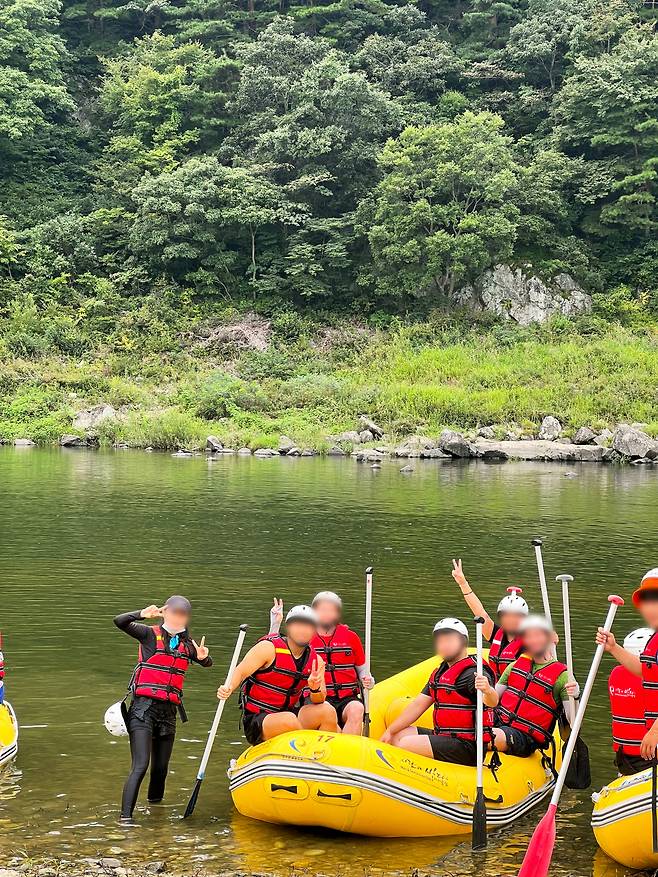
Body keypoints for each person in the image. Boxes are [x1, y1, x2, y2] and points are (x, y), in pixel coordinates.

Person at [114, 596, 212, 820]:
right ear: (165, 612)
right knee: (141, 765)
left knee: (160, 770)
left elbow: (207, 662)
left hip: (168, 713)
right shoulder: (149, 634)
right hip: (143, 710)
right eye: (175, 612)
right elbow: (119, 621)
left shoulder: (188, 645)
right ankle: (126, 820)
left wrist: (204, 659)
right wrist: (141, 614)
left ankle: (155, 814)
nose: (178, 617)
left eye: (183, 614)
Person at [380, 618, 497, 766]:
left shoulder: (472, 673)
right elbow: (417, 705)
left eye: (449, 640)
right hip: (444, 736)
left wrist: (487, 690)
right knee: (398, 735)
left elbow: (493, 701)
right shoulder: (440, 673)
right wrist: (390, 731)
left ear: (463, 642)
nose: (444, 645)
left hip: (466, 746)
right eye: (440, 641)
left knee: (405, 744)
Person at [219, 604, 338, 745]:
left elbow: (319, 699)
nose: (303, 630)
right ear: (288, 627)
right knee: (289, 720)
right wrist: (229, 687)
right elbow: (240, 671)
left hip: (290, 714)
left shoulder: (316, 661)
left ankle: (325, 755)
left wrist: (314, 688)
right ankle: (307, 752)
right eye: (298, 625)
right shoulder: (268, 648)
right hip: (259, 721)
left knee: (327, 711)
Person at [268, 593, 374, 734]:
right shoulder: (304, 636)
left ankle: (347, 750)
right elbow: (276, 651)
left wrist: (369, 680)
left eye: (331, 610)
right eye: (322, 609)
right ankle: (338, 745)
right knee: (328, 715)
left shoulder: (351, 637)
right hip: (314, 699)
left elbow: (363, 671)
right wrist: (275, 624)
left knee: (357, 708)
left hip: (346, 699)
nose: (327, 614)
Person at [492, 614, 578, 757]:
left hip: (525, 737)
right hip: (499, 722)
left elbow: (574, 724)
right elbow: (492, 699)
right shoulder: (514, 666)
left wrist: (575, 696)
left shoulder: (563, 677)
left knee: (488, 736)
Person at [597, 569, 658, 763]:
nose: (649, 608)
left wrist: (655, 730)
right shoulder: (654, 640)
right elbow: (646, 671)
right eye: (645, 601)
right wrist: (614, 648)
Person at [451, 559, 528, 680]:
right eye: (506, 615)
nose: (510, 620)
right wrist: (463, 583)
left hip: (517, 691)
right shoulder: (496, 633)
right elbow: (480, 613)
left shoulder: (530, 640)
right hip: (494, 688)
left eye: (516, 616)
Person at [607, 628, 652, 775]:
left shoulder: (615, 674)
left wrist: (614, 648)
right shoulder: (650, 680)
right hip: (650, 758)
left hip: (624, 758)